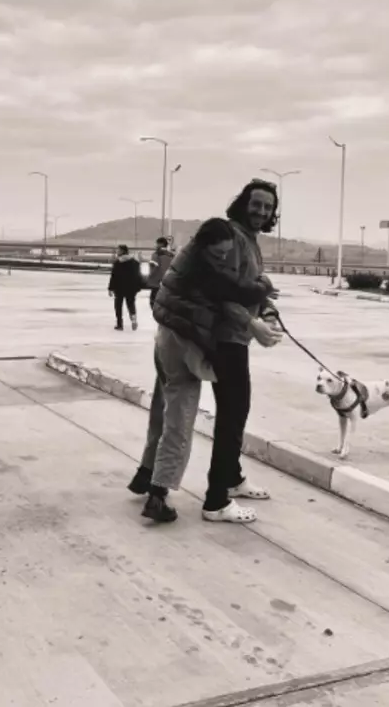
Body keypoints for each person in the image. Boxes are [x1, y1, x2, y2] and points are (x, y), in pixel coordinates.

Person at [127, 218, 281, 522]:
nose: (222, 259)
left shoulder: (190, 256)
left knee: (163, 412)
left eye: (226, 254)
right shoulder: (201, 268)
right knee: (180, 421)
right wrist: (263, 289)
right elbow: (237, 292)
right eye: (218, 253)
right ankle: (157, 496)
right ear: (202, 245)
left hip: (167, 339)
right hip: (182, 345)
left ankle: (145, 475)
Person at [202, 179, 283, 524]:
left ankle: (232, 480)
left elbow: (250, 289)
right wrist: (252, 325)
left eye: (267, 207)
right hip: (225, 338)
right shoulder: (232, 238)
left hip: (238, 338)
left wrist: (265, 311)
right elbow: (220, 293)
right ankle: (216, 500)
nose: (261, 211)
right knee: (232, 417)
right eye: (256, 204)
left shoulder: (251, 240)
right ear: (243, 203)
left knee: (237, 412)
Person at [108, 244, 143, 331]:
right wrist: (138, 286)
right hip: (131, 288)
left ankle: (120, 324)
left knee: (118, 306)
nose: (117, 252)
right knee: (131, 304)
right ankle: (134, 319)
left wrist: (110, 288)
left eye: (118, 250)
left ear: (122, 251)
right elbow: (138, 276)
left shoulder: (118, 262)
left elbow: (114, 276)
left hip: (119, 287)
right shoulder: (135, 262)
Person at [146, 236, 174, 309]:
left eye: (157, 243)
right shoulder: (172, 255)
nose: (156, 245)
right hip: (168, 281)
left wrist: (150, 277)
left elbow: (154, 268)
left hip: (157, 282)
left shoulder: (156, 254)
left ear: (160, 244)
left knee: (153, 302)